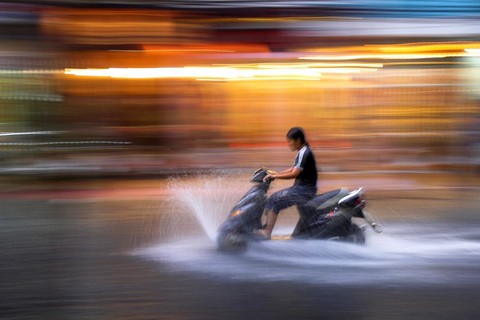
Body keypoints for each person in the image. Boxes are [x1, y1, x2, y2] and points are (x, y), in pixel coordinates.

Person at [257, 127, 318, 239]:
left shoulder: (304, 153)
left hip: (304, 190)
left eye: (290, 141)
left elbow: (294, 173)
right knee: (273, 199)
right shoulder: (303, 151)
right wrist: (276, 173)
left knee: (274, 200)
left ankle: (267, 232)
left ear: (298, 140)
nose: (288, 144)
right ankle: (266, 227)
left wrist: (275, 176)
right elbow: (293, 168)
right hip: (303, 188)